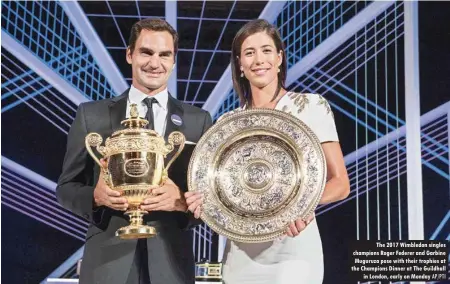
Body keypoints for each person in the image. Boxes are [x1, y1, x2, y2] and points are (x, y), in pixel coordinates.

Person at [185, 19, 350, 284]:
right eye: (249, 53)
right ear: (240, 65)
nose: (258, 59)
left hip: (293, 254)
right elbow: (217, 189)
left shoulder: (310, 106)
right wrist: (200, 201)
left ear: (279, 58)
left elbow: (340, 184)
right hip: (239, 257)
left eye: (266, 50)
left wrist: (305, 207)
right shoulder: (228, 124)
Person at [57, 18, 212, 284]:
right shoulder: (91, 115)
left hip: (171, 265)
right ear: (130, 55)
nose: (155, 63)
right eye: (146, 52)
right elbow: (66, 188)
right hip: (108, 264)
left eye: (165, 54)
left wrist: (183, 203)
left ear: (173, 61)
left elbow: (210, 199)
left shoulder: (199, 120)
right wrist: (95, 196)